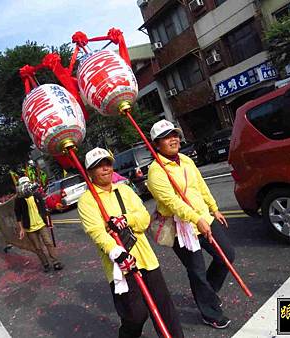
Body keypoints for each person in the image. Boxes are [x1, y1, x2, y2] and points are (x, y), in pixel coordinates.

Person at [78, 147, 184, 338]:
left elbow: (143, 218)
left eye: (107, 163)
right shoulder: (87, 201)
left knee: (164, 308)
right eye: (98, 166)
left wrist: (126, 219)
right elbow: (97, 232)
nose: (105, 169)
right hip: (119, 263)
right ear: (89, 172)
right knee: (135, 315)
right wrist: (116, 253)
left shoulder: (125, 189)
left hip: (146, 258)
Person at [146, 119, 235, 330]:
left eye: (175, 134)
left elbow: (200, 186)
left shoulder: (185, 159)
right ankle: (210, 312)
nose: (173, 139)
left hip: (205, 218)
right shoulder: (156, 171)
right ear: (156, 144)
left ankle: (208, 294)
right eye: (167, 137)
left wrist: (214, 208)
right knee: (196, 270)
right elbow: (171, 202)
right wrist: (196, 219)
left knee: (227, 256)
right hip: (181, 228)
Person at [14, 176, 63, 272]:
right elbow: (18, 214)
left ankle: (55, 262)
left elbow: (44, 208)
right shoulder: (19, 199)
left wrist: (48, 220)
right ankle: (45, 264)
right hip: (30, 228)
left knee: (48, 242)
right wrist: (22, 229)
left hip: (41, 224)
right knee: (38, 247)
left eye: (27, 184)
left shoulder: (36, 194)